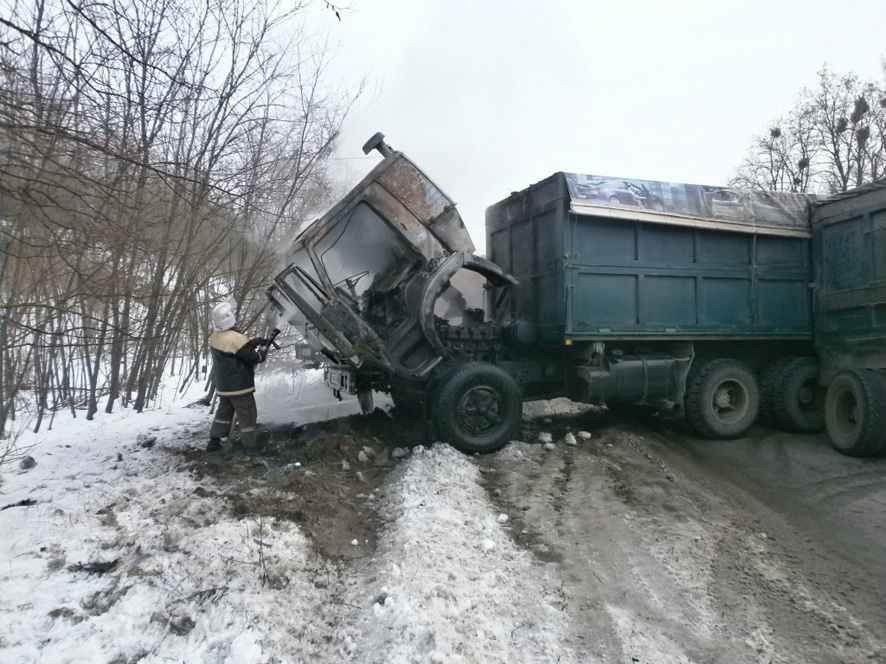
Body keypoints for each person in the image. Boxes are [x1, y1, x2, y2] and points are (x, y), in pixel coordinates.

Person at [207, 302, 267, 452]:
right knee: (247, 414)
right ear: (229, 318)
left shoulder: (215, 336)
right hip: (239, 387)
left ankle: (214, 441)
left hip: (224, 386)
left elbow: (235, 351)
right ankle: (250, 446)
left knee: (224, 413)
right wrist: (261, 353)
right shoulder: (235, 338)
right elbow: (252, 357)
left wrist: (253, 342)